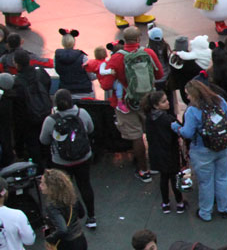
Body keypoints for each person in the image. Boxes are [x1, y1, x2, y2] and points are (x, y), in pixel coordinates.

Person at [105, 26, 163, 181]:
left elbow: (106, 84)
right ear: (139, 39)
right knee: (151, 132)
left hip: (127, 103)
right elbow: (160, 74)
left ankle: (143, 170)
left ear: (124, 40)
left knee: (136, 137)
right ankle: (156, 165)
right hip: (148, 100)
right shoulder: (148, 53)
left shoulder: (117, 58)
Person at [173, 79, 227, 221]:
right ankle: (225, 208)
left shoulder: (192, 110)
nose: (187, 97)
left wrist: (177, 128)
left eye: (188, 94)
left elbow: (188, 133)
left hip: (202, 150)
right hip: (224, 146)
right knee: (223, 178)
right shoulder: (219, 100)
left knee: (205, 182)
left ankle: (206, 212)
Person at [39, 89, 96, 227]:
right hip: (83, 157)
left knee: (63, 189)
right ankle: (91, 217)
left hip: (60, 161)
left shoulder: (50, 120)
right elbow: (90, 129)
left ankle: (69, 217)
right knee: (85, 185)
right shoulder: (82, 113)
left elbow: (44, 140)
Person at [142, 90, 187, 213]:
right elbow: (181, 131)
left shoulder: (149, 118)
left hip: (156, 153)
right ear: (156, 105)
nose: (168, 103)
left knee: (163, 178)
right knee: (175, 178)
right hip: (170, 152)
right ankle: (179, 202)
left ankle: (166, 203)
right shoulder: (168, 119)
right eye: (164, 101)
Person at [11, 49, 50, 166]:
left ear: (17, 64)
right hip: (45, 115)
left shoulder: (16, 82)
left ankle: (39, 172)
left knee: (33, 147)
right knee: (46, 145)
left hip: (29, 120)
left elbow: (17, 108)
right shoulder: (41, 73)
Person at [53, 28, 91, 96]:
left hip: (66, 92)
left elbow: (57, 71)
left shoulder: (57, 56)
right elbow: (90, 75)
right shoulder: (83, 57)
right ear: (74, 42)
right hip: (84, 90)